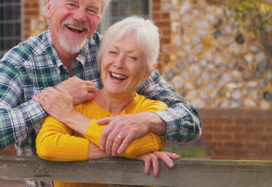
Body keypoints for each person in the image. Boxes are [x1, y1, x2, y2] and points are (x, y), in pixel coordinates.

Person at [0, 0, 201, 187]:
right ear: (49, 6)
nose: (80, 16)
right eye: (71, 4)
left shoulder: (112, 55)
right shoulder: (19, 63)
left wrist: (149, 121)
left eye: (91, 10)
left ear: (100, 17)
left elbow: (190, 120)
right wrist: (53, 101)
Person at [35, 16, 172, 187]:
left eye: (133, 57)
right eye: (113, 52)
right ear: (101, 60)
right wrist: (125, 152)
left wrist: (70, 117)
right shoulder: (75, 102)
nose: (119, 63)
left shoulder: (153, 111)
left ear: (148, 72)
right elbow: (47, 146)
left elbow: (138, 146)